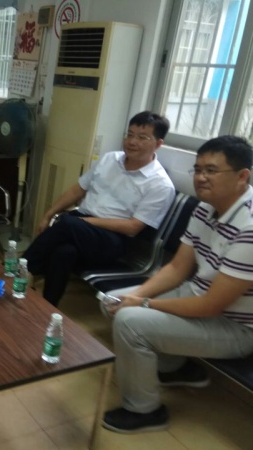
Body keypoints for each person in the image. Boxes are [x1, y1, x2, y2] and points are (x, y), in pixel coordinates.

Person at [102, 135, 253, 434]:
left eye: (211, 170)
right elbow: (176, 268)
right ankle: (175, 368)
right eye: (198, 169)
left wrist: (143, 303)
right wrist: (135, 296)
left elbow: (211, 306)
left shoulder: (249, 227)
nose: (201, 177)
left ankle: (145, 410)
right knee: (111, 302)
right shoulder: (207, 207)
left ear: (242, 176)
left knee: (131, 322)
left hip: (235, 327)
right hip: (198, 296)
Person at [23, 111, 175, 306]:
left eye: (142, 137)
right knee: (65, 252)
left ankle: (20, 270)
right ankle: (47, 307)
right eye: (130, 134)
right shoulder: (110, 159)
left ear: (158, 143)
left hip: (112, 240)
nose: (132, 142)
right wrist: (48, 214)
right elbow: (78, 189)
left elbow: (133, 227)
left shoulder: (160, 184)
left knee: (67, 223)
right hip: (80, 226)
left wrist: (84, 222)